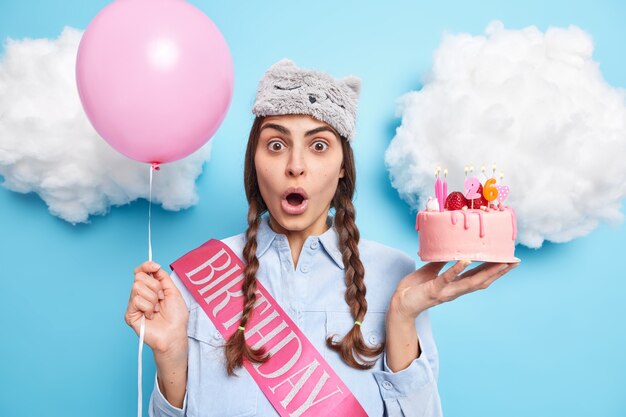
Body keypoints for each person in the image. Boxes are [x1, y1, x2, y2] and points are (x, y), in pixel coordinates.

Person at [124, 59, 518, 417]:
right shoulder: (196, 278)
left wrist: (400, 317)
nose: (295, 166)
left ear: (343, 167)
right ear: (254, 163)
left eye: (318, 146)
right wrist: (170, 354)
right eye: (276, 145)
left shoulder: (394, 274)